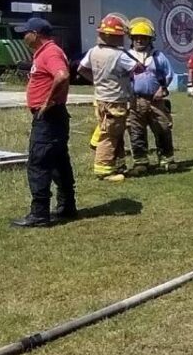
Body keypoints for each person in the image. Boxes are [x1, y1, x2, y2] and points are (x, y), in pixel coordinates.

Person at [11, 17, 75, 228]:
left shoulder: (50, 52)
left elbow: (62, 75)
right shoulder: (46, 52)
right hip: (54, 116)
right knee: (58, 162)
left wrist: (47, 102)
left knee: (38, 163)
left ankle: (39, 213)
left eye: (26, 32)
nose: (23, 36)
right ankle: (67, 206)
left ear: (36, 34)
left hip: (48, 117)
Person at [78, 13, 144, 181]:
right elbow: (138, 68)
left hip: (100, 98)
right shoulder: (119, 55)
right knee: (110, 135)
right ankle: (104, 169)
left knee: (112, 131)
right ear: (114, 37)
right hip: (116, 101)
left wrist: (97, 80)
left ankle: (118, 165)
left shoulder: (93, 51)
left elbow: (81, 69)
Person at [126, 17, 176, 173]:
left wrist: (162, 89)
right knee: (136, 131)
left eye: (144, 38)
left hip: (156, 101)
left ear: (150, 40)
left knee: (163, 129)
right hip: (134, 101)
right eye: (137, 38)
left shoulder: (158, 56)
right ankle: (141, 162)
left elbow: (169, 74)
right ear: (132, 39)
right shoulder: (125, 57)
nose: (140, 41)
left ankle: (167, 159)